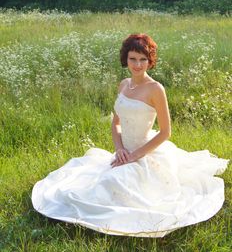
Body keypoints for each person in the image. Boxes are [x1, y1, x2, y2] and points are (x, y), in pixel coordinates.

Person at [32, 33, 229, 238]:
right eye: (133, 58)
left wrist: (134, 156)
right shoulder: (124, 84)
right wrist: (119, 149)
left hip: (145, 154)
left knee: (113, 183)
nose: (138, 64)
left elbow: (165, 132)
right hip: (123, 151)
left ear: (150, 61)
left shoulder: (155, 89)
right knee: (85, 186)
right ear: (125, 58)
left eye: (143, 59)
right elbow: (116, 123)